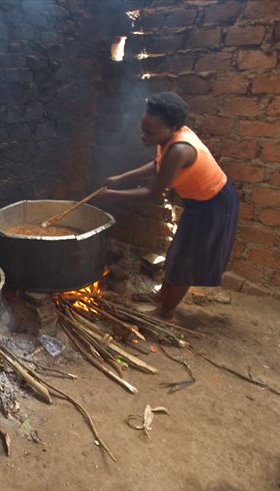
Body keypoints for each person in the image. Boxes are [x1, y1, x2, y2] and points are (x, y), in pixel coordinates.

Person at [96, 91, 239, 320]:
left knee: (186, 262)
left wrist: (112, 194)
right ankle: (162, 296)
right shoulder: (169, 139)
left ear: (171, 127)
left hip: (214, 206)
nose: (143, 135)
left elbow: (152, 192)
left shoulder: (180, 149)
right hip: (200, 204)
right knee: (176, 254)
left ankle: (165, 313)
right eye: (143, 128)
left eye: (150, 132)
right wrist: (121, 177)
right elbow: (157, 164)